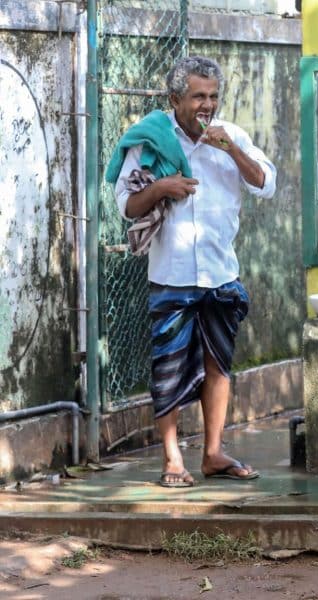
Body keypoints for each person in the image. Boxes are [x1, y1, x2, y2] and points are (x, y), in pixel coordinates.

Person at [106, 56, 276, 487]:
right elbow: (125, 205)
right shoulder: (152, 140)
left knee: (219, 365)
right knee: (169, 367)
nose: (207, 105)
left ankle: (214, 453)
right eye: (199, 96)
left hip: (221, 274)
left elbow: (266, 182)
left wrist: (232, 149)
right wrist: (162, 187)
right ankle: (172, 460)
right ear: (175, 98)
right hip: (172, 275)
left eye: (214, 96)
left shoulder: (231, 135)